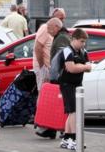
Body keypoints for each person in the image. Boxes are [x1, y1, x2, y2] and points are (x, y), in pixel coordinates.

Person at [36, 8, 70, 139]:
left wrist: (54, 76)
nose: (48, 31)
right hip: (60, 76)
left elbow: (60, 59)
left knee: (59, 104)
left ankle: (61, 130)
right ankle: (52, 130)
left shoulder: (61, 38)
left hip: (60, 77)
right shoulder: (61, 36)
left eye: (50, 28)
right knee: (57, 104)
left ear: (56, 27)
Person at [58, 29, 92, 150]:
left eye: (84, 42)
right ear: (74, 39)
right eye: (81, 41)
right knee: (74, 112)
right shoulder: (67, 50)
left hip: (77, 84)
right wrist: (82, 67)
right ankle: (75, 139)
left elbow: (89, 68)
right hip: (67, 84)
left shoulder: (83, 51)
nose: (83, 44)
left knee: (72, 112)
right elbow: (71, 68)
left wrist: (79, 66)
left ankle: (66, 139)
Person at [32, 17, 62, 91]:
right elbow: (37, 48)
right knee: (43, 93)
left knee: (49, 94)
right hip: (44, 67)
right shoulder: (45, 28)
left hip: (50, 68)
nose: (62, 20)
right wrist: (42, 67)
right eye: (61, 17)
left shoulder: (56, 32)